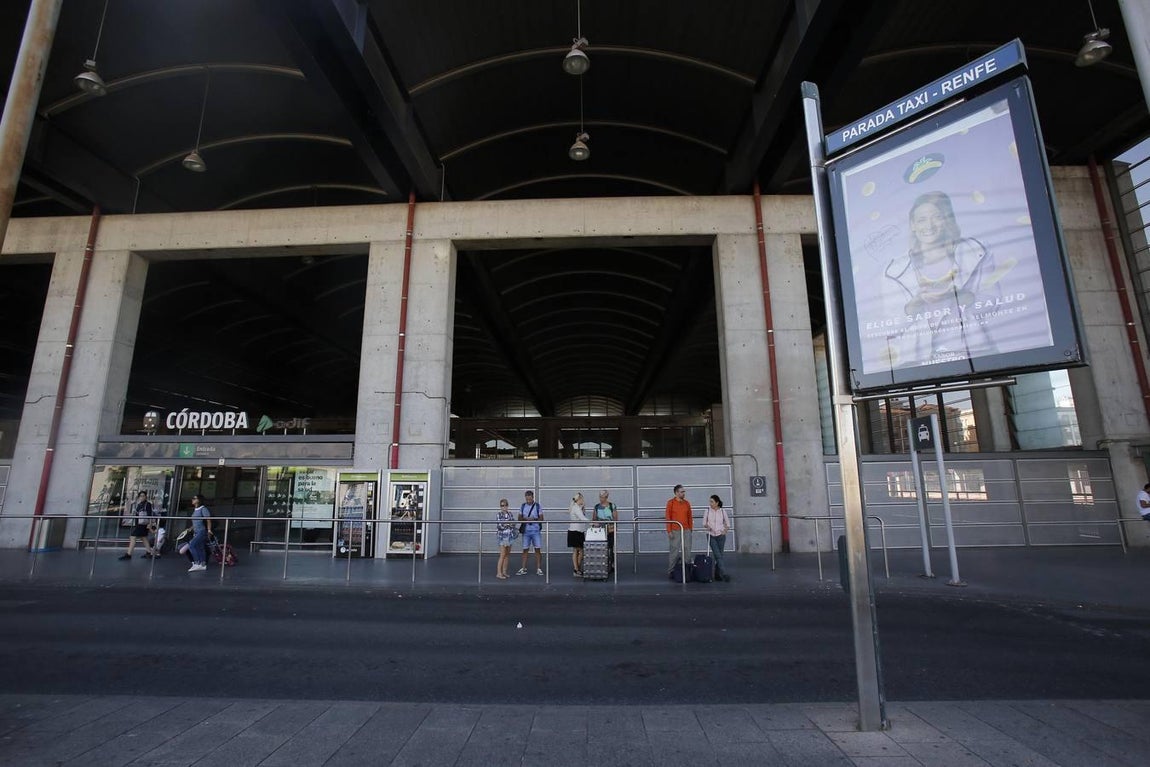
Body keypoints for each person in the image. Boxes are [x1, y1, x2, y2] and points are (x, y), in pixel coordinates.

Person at [883, 191, 999, 368]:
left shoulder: (976, 251)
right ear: (913, 225)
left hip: (975, 354)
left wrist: (963, 296)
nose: (929, 225)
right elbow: (890, 328)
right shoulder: (894, 271)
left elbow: (994, 302)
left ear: (946, 220)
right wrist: (913, 306)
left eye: (936, 217)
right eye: (921, 219)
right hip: (918, 362)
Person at [119, 491, 158, 560]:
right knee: (144, 538)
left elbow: (149, 515)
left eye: (143, 496)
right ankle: (149, 553)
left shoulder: (147, 504)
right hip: (140, 524)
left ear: (146, 497)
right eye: (141, 496)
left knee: (133, 537)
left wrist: (150, 524)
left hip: (143, 524)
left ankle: (129, 554)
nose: (142, 497)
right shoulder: (140, 504)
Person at [704, 494, 732, 582]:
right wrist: (707, 526)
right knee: (717, 555)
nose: (710, 503)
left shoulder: (723, 511)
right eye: (710, 501)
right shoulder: (707, 511)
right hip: (711, 535)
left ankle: (717, 574)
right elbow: (704, 523)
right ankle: (724, 574)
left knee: (719, 555)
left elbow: (728, 523)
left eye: (712, 501)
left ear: (717, 502)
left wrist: (725, 531)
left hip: (721, 535)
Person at [665, 484, 692, 574]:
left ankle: (687, 569)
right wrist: (669, 531)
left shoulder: (687, 503)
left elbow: (690, 517)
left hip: (686, 529)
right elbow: (668, 517)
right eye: (681, 492)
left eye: (684, 492)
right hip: (675, 530)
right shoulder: (670, 503)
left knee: (687, 549)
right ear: (676, 493)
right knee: (674, 551)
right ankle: (671, 570)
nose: (683, 493)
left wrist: (690, 529)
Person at [516, 490, 544, 575]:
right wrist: (525, 519)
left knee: (537, 549)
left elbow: (542, 518)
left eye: (529, 499)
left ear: (533, 498)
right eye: (527, 499)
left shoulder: (538, 506)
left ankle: (539, 568)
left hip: (535, 531)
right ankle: (523, 568)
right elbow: (519, 518)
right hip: (526, 531)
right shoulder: (523, 506)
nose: (528, 501)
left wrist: (534, 519)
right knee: (525, 550)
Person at [184, 494, 212, 572]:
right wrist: (191, 528)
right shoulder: (195, 509)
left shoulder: (203, 509)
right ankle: (202, 564)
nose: (192, 500)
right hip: (196, 531)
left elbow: (208, 520)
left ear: (198, 500)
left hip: (201, 531)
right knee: (200, 547)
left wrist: (209, 530)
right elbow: (196, 522)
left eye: (194, 498)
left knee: (192, 545)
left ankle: (197, 563)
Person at [592, 490, 618, 567]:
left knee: (610, 547)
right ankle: (602, 563)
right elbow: (594, 519)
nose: (601, 499)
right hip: (600, 531)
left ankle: (611, 564)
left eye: (602, 497)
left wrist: (614, 528)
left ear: (606, 497)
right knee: (601, 547)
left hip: (610, 530)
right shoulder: (596, 507)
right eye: (600, 497)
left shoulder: (612, 506)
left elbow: (615, 519)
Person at [568, 493, 589, 576]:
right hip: (575, 531)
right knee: (579, 550)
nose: (583, 501)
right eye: (582, 499)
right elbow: (582, 518)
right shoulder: (576, 508)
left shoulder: (578, 508)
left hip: (579, 531)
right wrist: (592, 523)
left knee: (578, 551)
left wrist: (583, 508)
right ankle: (576, 569)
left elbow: (582, 516)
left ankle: (577, 568)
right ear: (579, 499)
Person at [495, 498, 516, 579]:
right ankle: (498, 573)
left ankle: (504, 572)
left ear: (507, 506)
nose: (504, 507)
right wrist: (508, 524)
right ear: (500, 507)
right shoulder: (499, 515)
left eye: (505, 505)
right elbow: (500, 526)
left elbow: (514, 523)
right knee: (502, 555)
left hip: (510, 536)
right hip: (502, 537)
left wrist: (508, 524)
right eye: (502, 505)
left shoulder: (510, 514)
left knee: (507, 555)